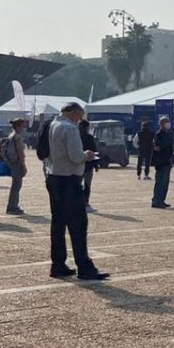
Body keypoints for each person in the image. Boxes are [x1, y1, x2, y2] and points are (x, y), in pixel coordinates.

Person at [44, 102, 109, 280]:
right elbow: (75, 156)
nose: (80, 120)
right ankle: (84, 266)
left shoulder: (53, 125)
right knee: (78, 224)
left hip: (54, 176)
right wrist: (86, 155)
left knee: (58, 223)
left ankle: (58, 264)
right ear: (73, 112)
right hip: (69, 179)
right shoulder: (70, 128)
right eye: (79, 116)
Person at [4, 118, 28, 215]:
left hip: (12, 162)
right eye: (22, 126)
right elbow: (20, 152)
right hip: (17, 162)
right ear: (18, 126)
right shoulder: (17, 137)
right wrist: (23, 165)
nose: (24, 128)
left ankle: (13, 205)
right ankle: (12, 206)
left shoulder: (11, 136)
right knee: (17, 185)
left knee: (16, 184)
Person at [152, 116, 174, 209]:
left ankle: (162, 200)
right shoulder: (159, 134)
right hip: (161, 161)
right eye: (165, 122)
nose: (168, 123)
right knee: (160, 182)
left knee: (165, 182)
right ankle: (156, 201)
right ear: (161, 124)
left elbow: (172, 145)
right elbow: (158, 147)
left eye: (168, 121)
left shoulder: (169, 133)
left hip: (168, 160)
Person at [79, 120, 99, 213]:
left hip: (77, 164)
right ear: (86, 128)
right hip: (88, 165)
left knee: (77, 185)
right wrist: (96, 165)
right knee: (87, 185)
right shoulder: (89, 137)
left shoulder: (75, 137)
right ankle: (86, 203)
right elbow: (94, 151)